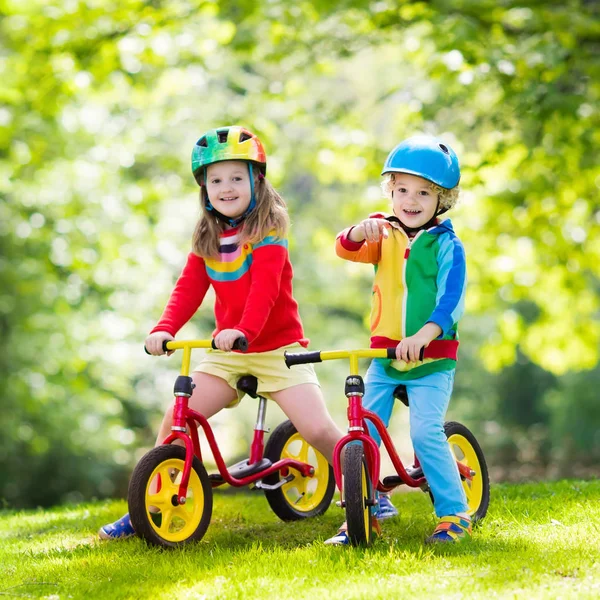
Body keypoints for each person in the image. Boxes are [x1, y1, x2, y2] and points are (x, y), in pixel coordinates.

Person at [99, 126, 344, 539]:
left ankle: (369, 491)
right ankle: (148, 506)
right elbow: (188, 288)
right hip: (229, 351)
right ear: (204, 187)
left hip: (277, 348)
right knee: (177, 422)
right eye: (216, 180)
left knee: (317, 429)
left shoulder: (269, 229)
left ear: (256, 181)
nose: (225, 187)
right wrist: (164, 328)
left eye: (236, 178)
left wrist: (243, 329)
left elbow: (265, 291)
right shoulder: (208, 235)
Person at [324, 135, 470, 545]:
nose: (411, 199)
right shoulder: (384, 234)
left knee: (424, 433)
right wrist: (357, 231)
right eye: (401, 189)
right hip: (384, 359)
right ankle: (362, 514)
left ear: (443, 200)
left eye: (424, 192)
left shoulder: (447, 246)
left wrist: (425, 336)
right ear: (390, 191)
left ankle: (454, 513)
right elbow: (344, 248)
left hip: (432, 360)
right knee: (362, 430)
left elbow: (451, 301)